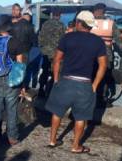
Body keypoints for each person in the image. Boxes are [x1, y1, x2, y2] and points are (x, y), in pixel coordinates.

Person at [45, 11, 107, 153]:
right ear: (90, 26)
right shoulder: (98, 42)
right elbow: (103, 65)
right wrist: (95, 85)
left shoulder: (67, 38)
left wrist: (55, 79)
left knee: (57, 112)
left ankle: (53, 140)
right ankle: (75, 146)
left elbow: (57, 60)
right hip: (85, 84)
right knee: (81, 117)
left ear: (78, 23)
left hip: (66, 81)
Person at [0, 14, 25, 146]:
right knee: (11, 108)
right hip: (11, 79)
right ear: (9, 27)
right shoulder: (15, 42)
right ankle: (12, 137)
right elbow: (20, 65)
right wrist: (22, 84)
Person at [91, 3, 122, 108]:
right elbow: (119, 42)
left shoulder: (88, 23)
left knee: (90, 77)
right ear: (103, 11)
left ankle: (89, 99)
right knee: (103, 79)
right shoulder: (110, 24)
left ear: (95, 11)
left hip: (89, 57)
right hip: (106, 57)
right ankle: (101, 100)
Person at [38, 10, 65, 97]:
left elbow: (40, 38)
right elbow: (64, 40)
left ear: (52, 14)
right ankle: (53, 92)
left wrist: (42, 48)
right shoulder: (61, 25)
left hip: (45, 52)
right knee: (56, 73)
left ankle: (41, 89)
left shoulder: (45, 24)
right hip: (56, 54)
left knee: (45, 71)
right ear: (60, 15)